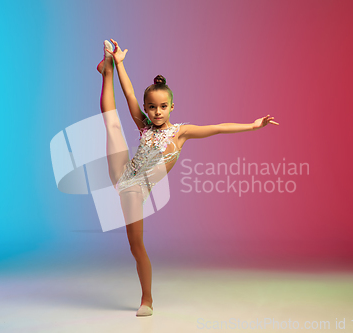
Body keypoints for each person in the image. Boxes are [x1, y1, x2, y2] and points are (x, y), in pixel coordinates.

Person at [97, 39, 279, 317]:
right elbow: (130, 95)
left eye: (162, 107)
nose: (156, 112)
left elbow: (217, 128)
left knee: (136, 246)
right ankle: (107, 69)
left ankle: (147, 299)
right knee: (111, 123)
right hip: (124, 172)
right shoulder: (145, 125)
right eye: (152, 107)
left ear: (172, 107)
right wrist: (120, 64)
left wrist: (253, 126)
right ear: (147, 108)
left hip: (135, 189)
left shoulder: (181, 133)